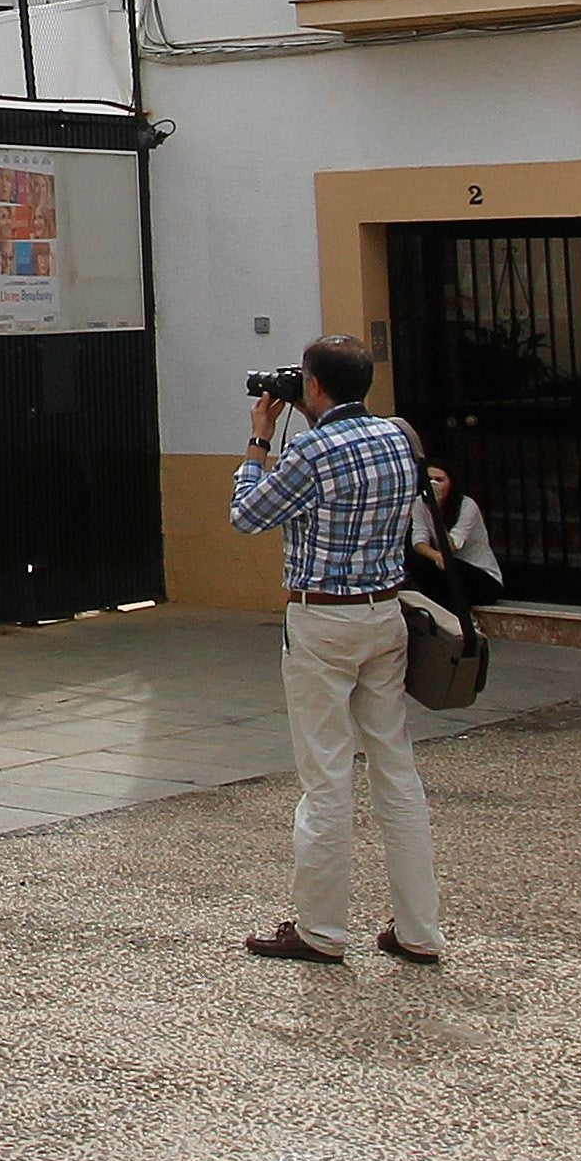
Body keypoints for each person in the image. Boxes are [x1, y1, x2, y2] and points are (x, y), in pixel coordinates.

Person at [229, 336, 446, 966]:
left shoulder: (312, 449)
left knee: (326, 775)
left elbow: (246, 515)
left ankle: (321, 930)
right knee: (395, 770)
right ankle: (418, 930)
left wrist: (258, 440)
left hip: (323, 619)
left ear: (314, 387)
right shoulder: (398, 439)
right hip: (384, 612)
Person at [407, 462, 504, 621]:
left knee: (451, 566)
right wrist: (435, 556)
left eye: (439, 480)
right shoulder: (419, 504)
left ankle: (464, 619)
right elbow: (419, 540)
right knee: (420, 564)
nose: (434, 484)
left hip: (482, 578)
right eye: (430, 479)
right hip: (447, 571)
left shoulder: (467, 506)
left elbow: (452, 546)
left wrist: (436, 509)